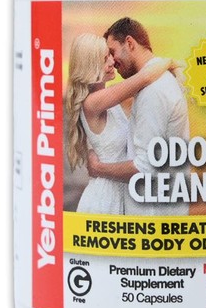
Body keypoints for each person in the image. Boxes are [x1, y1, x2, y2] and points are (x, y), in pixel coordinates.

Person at [64, 33, 178, 214]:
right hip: (103, 199)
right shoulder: (93, 102)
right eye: (104, 59)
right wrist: (169, 62)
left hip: (119, 192)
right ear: (91, 66)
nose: (112, 61)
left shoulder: (109, 100)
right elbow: (145, 77)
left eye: (110, 54)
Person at [88, 18, 191, 216]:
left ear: (129, 43)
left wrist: (99, 169)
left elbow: (145, 167)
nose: (112, 61)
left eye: (112, 52)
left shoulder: (153, 91)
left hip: (153, 217)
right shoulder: (155, 83)